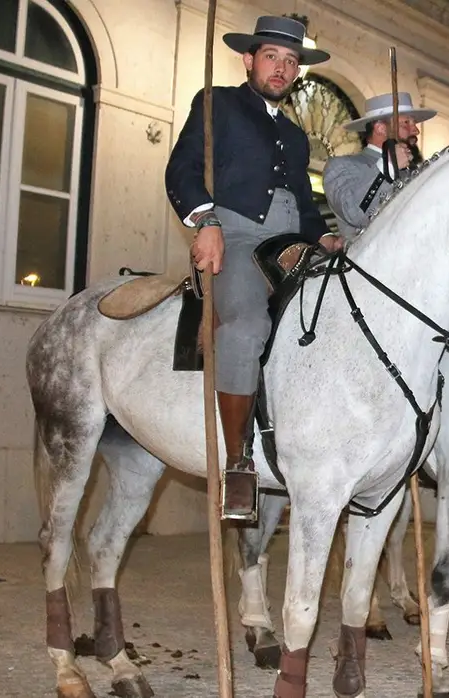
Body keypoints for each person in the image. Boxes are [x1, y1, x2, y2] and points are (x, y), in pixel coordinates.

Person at [164, 16, 344, 517]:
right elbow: (180, 169)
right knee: (246, 327)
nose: (282, 68)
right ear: (249, 59)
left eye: (291, 62)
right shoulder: (216, 104)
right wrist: (205, 221)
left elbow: (306, 207)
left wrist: (325, 235)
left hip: (293, 242)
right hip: (237, 235)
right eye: (272, 57)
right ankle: (239, 459)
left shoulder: (295, 134)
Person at [322, 92, 436, 239]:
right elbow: (355, 213)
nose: (416, 131)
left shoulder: (417, 174)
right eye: (406, 123)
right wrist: (387, 167)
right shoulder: (342, 166)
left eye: (414, 124)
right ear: (381, 128)